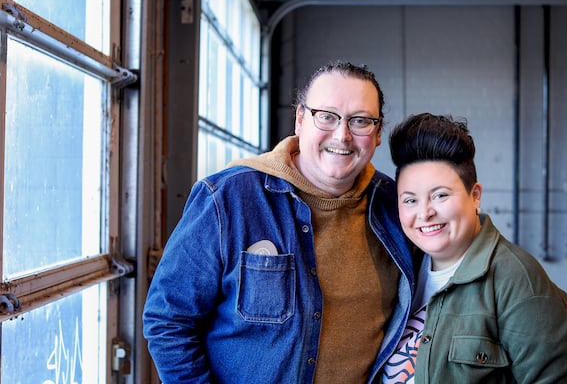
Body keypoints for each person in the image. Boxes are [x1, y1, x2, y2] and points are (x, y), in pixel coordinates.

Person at [143, 61, 416, 384]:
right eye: (326, 116)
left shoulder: (396, 207)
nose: (342, 136)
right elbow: (169, 320)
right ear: (300, 120)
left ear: (378, 132)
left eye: (360, 121)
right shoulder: (228, 198)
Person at [380, 113, 567, 383]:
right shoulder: (401, 270)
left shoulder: (519, 284)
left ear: (475, 196)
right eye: (410, 200)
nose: (424, 213)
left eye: (440, 195)